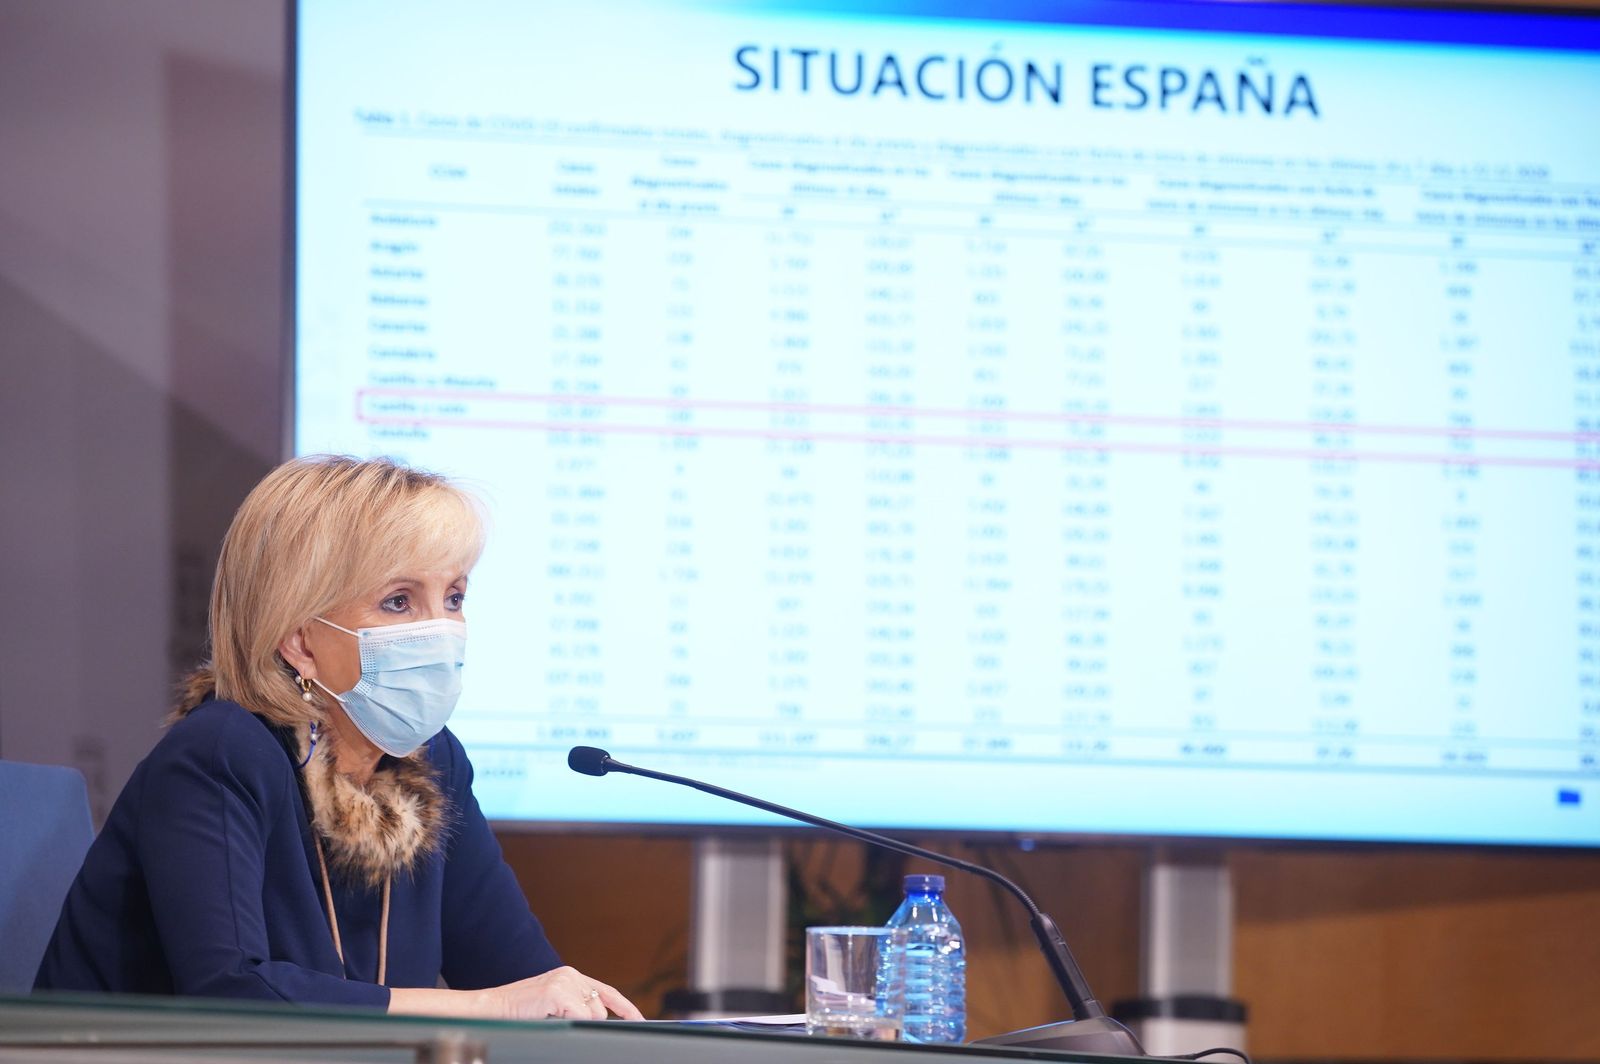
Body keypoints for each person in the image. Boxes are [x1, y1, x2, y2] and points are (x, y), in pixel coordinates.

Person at [35, 455, 643, 1021]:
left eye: (454, 597)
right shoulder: (221, 753)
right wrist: (487, 1006)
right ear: (300, 640)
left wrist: (581, 1009)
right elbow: (231, 992)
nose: (441, 628)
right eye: (399, 601)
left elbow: (522, 976)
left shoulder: (430, 763)